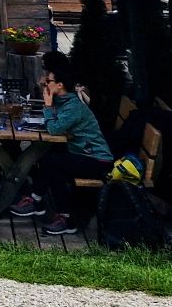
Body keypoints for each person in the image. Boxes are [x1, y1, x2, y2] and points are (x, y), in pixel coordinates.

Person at [9, 54, 114, 235]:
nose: (45, 85)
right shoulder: (64, 101)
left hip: (97, 160)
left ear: (60, 85)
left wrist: (48, 107)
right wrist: (49, 103)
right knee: (52, 164)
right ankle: (60, 216)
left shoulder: (73, 106)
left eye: (48, 81)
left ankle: (37, 201)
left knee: (52, 163)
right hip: (83, 154)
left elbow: (55, 129)